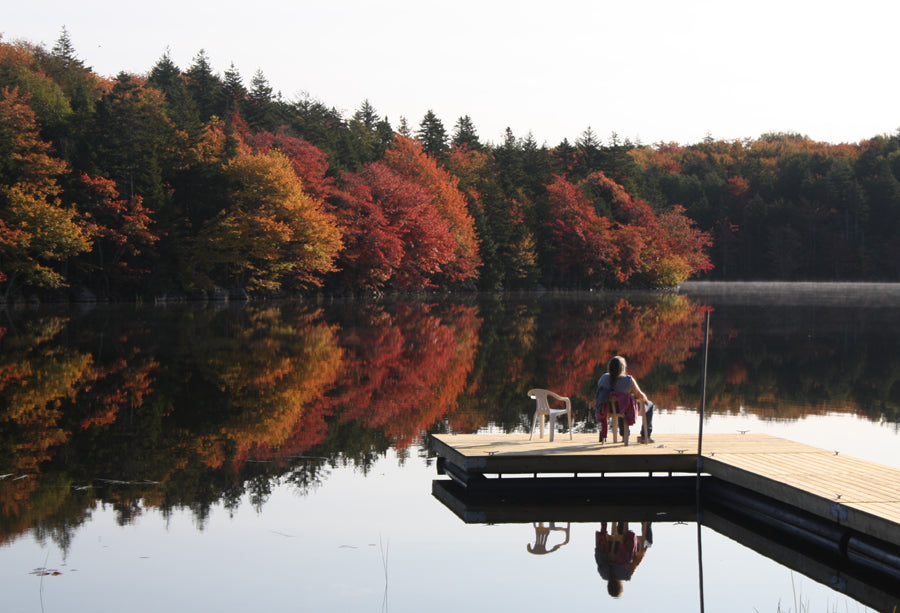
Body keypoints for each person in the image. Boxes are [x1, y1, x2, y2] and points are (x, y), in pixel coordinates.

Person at [595, 355, 654, 443]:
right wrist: (645, 398)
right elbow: (639, 395)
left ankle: (624, 434)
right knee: (649, 404)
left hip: (608, 409)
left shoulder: (604, 378)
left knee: (621, 404)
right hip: (625, 409)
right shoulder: (628, 380)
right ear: (623, 368)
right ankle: (645, 436)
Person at [594, 521, 653, 598]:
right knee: (619, 540)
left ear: (621, 586)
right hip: (611, 540)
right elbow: (598, 554)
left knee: (648, 543)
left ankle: (646, 522)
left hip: (626, 542)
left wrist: (644, 550)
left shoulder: (626, 574)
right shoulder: (603, 573)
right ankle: (621, 521)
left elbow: (637, 560)